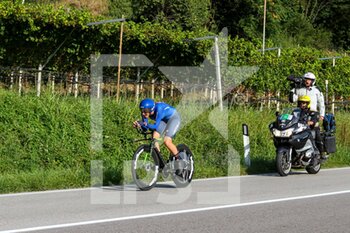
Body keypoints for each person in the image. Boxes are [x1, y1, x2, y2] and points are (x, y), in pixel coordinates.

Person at [289, 72, 326, 158]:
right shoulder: (299, 89)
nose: (307, 81)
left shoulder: (316, 90)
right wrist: (293, 89)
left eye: (309, 80)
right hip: (300, 112)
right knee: (295, 130)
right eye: (306, 79)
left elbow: (321, 103)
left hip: (313, 113)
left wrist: (322, 115)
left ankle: (321, 152)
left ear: (313, 81)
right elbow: (292, 100)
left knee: (316, 131)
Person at [296, 95, 326, 160]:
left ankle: (320, 152)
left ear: (307, 104)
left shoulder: (312, 112)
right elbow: (291, 117)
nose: (302, 104)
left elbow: (315, 120)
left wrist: (311, 122)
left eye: (304, 103)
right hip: (300, 129)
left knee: (316, 135)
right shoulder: (296, 112)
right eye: (300, 102)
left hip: (311, 128)